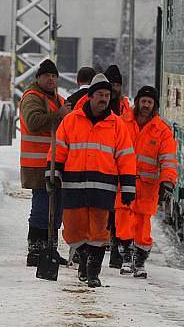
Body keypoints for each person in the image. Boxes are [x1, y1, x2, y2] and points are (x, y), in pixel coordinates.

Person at [47, 74, 136, 287]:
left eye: (107, 95)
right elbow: (58, 149)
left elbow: (126, 156)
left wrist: (128, 186)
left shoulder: (117, 125)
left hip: (103, 187)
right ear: (90, 97)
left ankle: (93, 272)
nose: (104, 99)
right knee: (73, 230)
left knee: (99, 232)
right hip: (74, 184)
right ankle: (84, 259)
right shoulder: (71, 120)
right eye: (100, 95)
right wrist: (53, 174)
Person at [114, 86, 178, 279]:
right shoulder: (122, 123)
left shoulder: (162, 131)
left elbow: (168, 159)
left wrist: (167, 182)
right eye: (143, 101)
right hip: (123, 183)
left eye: (149, 102)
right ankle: (126, 257)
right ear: (137, 102)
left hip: (148, 187)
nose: (146, 105)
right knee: (123, 221)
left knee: (143, 226)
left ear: (154, 105)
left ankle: (140, 261)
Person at [19, 59, 71, 267]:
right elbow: (33, 123)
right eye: (47, 75)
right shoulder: (32, 98)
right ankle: (35, 250)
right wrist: (59, 115)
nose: (51, 79)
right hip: (38, 163)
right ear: (38, 78)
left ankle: (50, 248)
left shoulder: (58, 99)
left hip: (55, 163)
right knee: (42, 207)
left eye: (54, 76)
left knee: (56, 208)